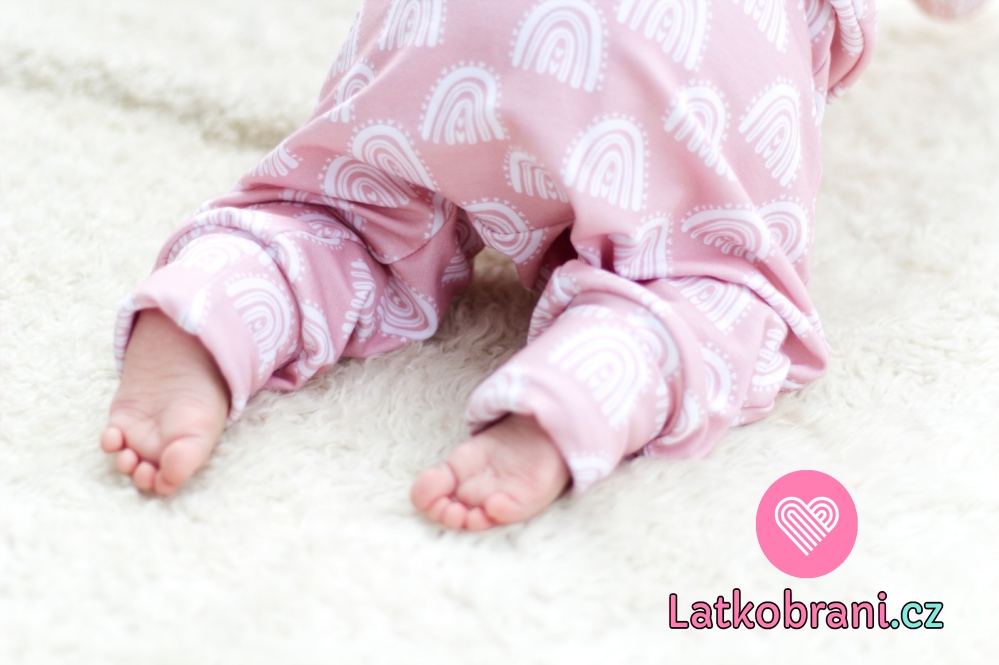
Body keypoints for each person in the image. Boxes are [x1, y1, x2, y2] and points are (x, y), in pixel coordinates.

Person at [99, 0, 984, 530]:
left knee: (345, 211)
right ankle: (587, 380)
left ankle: (217, 302)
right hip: (676, 42)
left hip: (452, 29)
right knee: (701, 287)